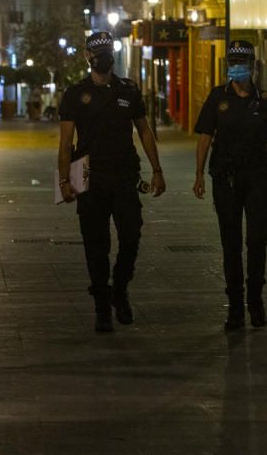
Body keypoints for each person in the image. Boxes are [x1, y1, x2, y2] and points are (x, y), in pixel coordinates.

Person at [58, 31, 166, 332]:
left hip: (124, 175)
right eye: (97, 52)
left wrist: (157, 170)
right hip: (89, 176)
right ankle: (102, 305)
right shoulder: (74, 94)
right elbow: (66, 142)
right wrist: (64, 180)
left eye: (107, 51)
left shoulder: (128, 90)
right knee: (96, 244)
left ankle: (120, 287)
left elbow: (144, 131)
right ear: (87, 56)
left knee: (131, 236)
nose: (103, 57)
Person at [193, 40, 267, 331]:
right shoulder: (217, 98)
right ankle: (235, 306)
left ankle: (255, 301)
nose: (236, 68)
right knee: (231, 243)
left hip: (258, 177)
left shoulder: (265, 101)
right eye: (232, 63)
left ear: (252, 66)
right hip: (226, 178)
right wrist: (198, 174)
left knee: (257, 240)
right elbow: (204, 138)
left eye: (242, 63)